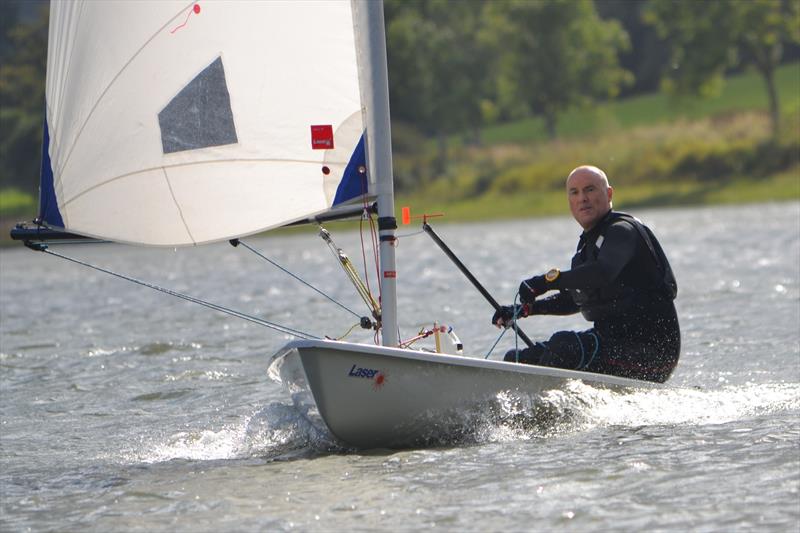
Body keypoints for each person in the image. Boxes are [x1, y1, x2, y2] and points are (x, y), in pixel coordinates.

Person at [492, 165, 680, 383]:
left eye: (590, 190)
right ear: (569, 202)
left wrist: (546, 281)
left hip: (652, 355)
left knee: (565, 346)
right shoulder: (585, 250)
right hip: (610, 346)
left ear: (609, 194)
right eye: (575, 192)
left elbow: (602, 273)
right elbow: (574, 300)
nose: (582, 198)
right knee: (518, 358)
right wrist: (524, 309)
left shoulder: (622, 231)